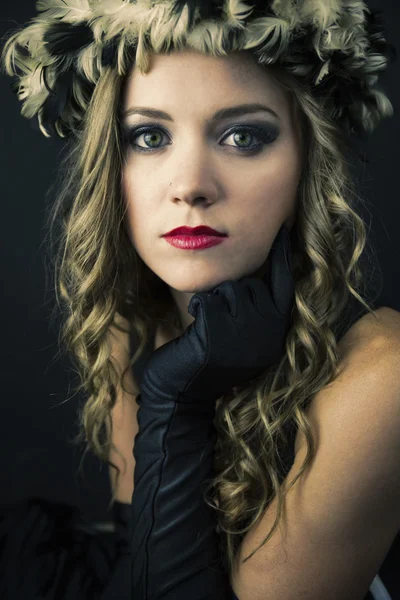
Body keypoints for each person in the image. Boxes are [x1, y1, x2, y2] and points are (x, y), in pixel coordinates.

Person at [0, 1, 399, 599]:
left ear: (308, 163)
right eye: (149, 136)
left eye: (243, 136)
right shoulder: (130, 319)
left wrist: (174, 402)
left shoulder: (383, 375)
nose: (190, 185)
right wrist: (169, 387)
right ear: (112, 166)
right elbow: (142, 559)